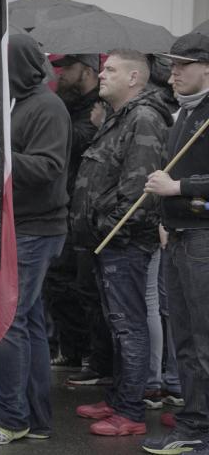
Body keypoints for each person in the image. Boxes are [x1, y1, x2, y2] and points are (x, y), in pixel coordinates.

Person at [70, 49, 171, 437]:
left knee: (129, 326)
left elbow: (139, 189)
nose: (101, 74)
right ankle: (117, 397)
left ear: (134, 79)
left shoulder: (143, 118)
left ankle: (129, 410)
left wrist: (110, 228)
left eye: (111, 69)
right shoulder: (120, 117)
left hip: (123, 241)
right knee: (117, 325)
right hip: (105, 239)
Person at [0, 34, 71, 446]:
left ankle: (12, 418)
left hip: (36, 227)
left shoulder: (47, 107)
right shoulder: (16, 102)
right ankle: (35, 418)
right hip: (19, 225)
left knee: (8, 321)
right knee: (27, 323)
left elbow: (50, 166)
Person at [142, 32, 209, 454]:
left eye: (183, 64)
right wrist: (166, 218)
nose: (173, 72)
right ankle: (193, 422)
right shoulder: (184, 114)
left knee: (202, 340)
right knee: (184, 340)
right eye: (173, 63)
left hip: (203, 237)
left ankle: (201, 429)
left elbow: (182, 181)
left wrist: (178, 188)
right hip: (181, 235)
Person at [44, 54, 112, 383]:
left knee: (80, 285)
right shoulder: (68, 102)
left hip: (84, 209)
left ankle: (87, 353)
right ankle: (71, 349)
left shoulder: (97, 108)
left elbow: (76, 142)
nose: (60, 74)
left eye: (67, 68)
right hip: (67, 203)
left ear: (85, 71)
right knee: (59, 281)